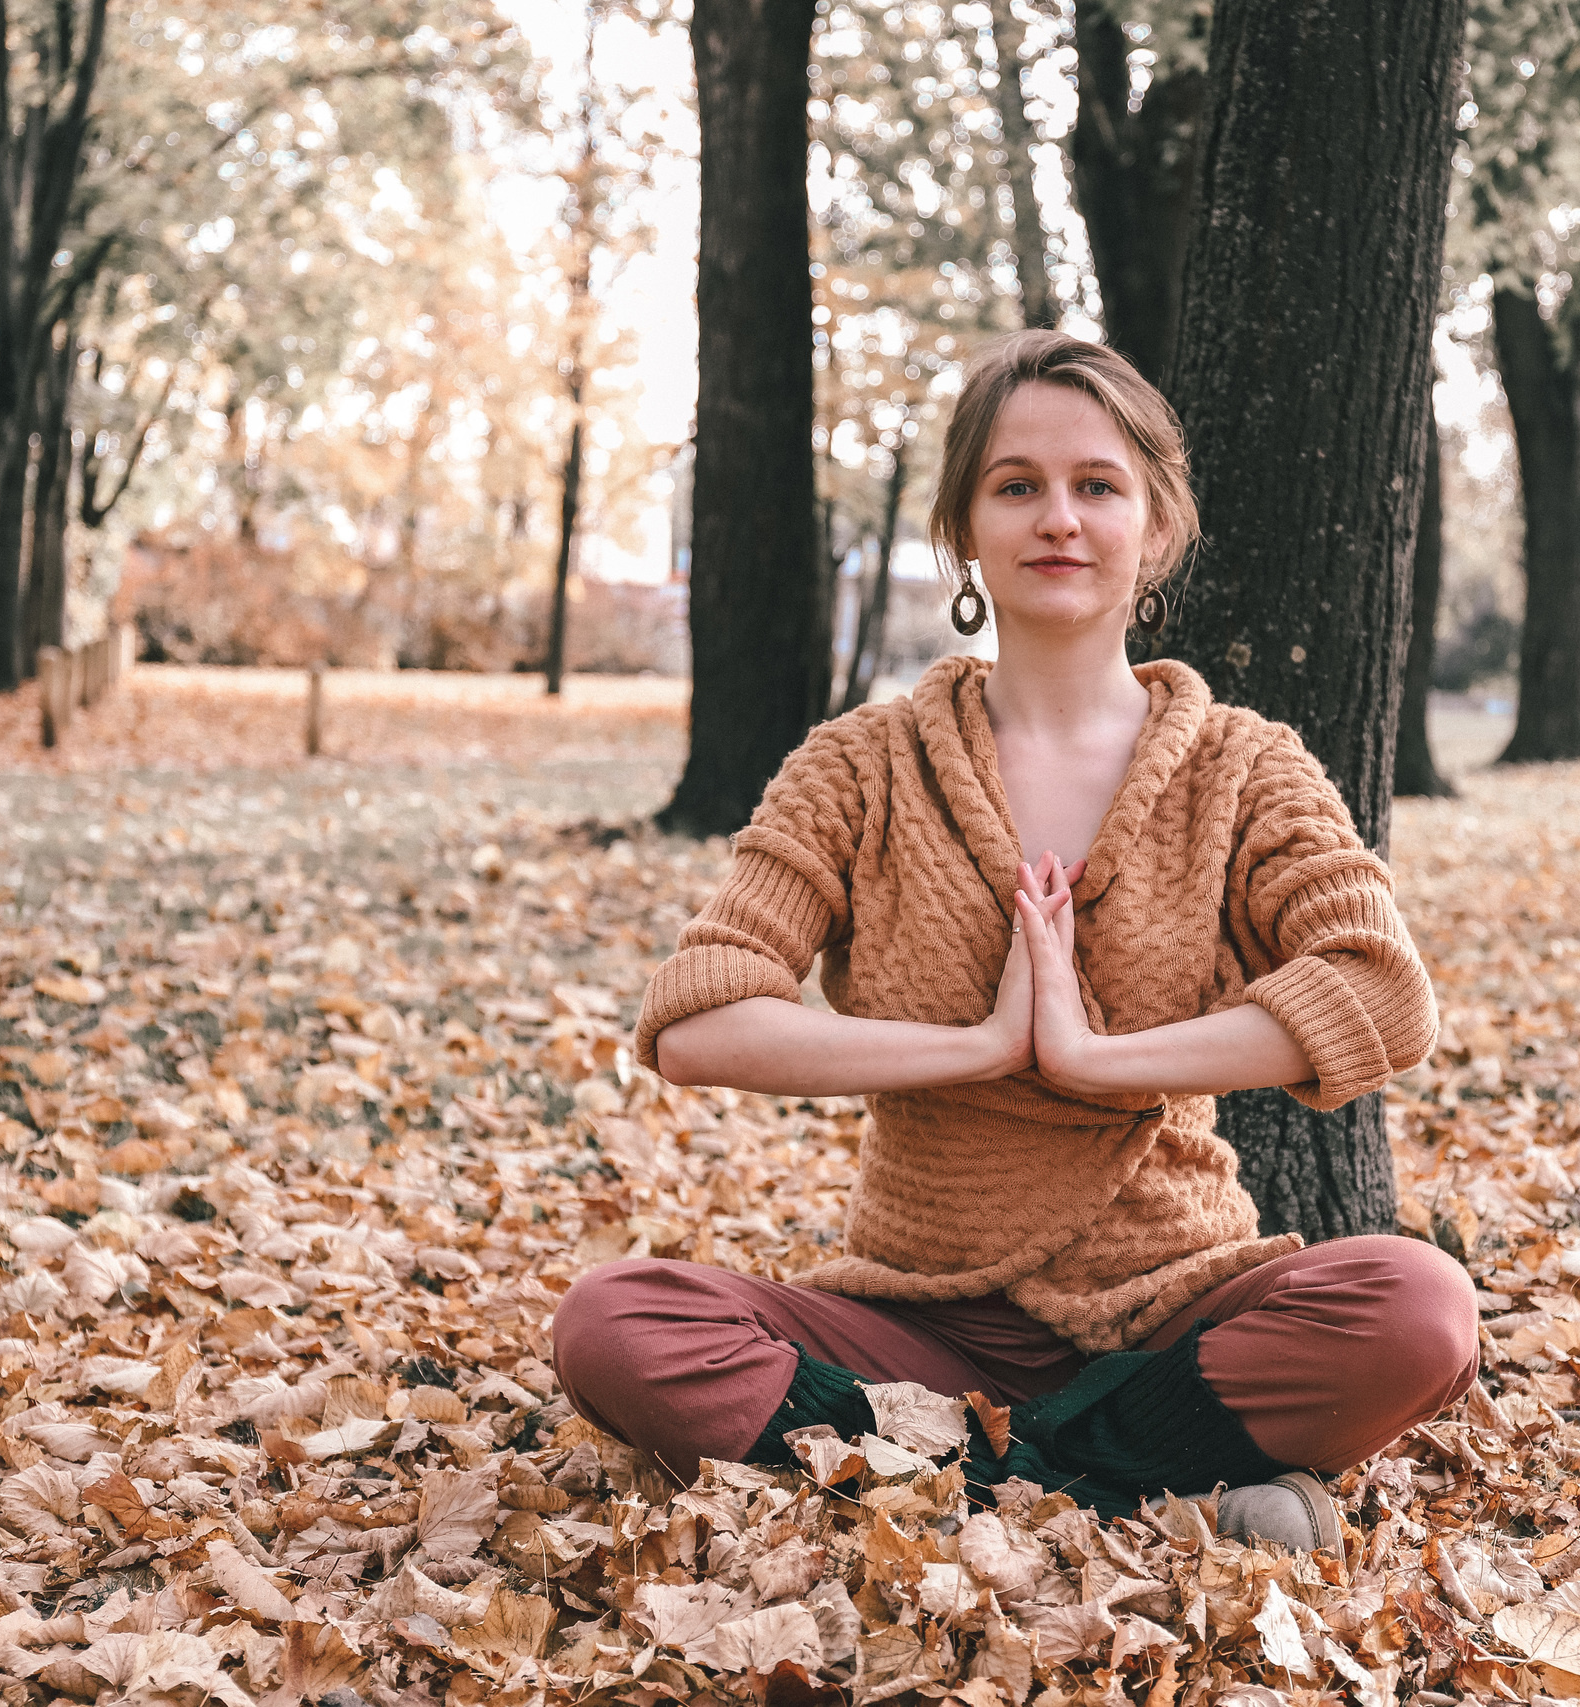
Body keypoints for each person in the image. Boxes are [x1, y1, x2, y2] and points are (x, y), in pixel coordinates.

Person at [551, 330, 1479, 1554]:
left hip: (1178, 1306)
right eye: (1016, 485)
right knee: (613, 1323)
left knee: (1420, 1309)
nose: (1059, 518)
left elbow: (1381, 995)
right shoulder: (859, 766)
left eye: (1098, 485)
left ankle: (964, 1472)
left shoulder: (1242, 767)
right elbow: (695, 1021)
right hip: (916, 1319)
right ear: (966, 531)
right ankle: (1139, 1478)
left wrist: (1096, 1061)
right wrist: (978, 1045)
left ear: (1154, 531)